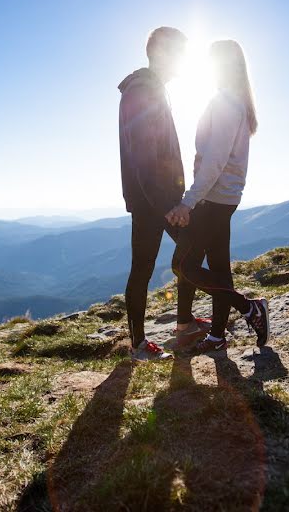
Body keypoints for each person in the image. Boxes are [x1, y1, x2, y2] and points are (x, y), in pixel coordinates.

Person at [166, 40, 269, 354]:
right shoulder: (237, 101)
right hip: (225, 197)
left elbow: (214, 160)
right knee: (219, 267)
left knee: (182, 265)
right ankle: (217, 336)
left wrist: (189, 200)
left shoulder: (226, 103)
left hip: (212, 198)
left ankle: (250, 309)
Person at [118, 27, 211, 362]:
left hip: (158, 198)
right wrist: (168, 206)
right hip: (153, 201)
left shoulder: (151, 89)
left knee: (186, 250)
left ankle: (182, 325)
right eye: (179, 53)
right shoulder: (142, 90)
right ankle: (140, 344)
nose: (183, 62)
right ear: (159, 53)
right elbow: (143, 158)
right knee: (146, 267)